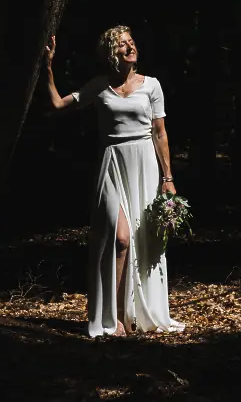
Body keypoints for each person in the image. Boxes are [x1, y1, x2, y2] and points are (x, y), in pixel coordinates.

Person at [45, 26, 185, 337]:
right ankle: (113, 317)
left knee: (143, 239)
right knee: (119, 238)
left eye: (131, 43)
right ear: (111, 53)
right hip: (111, 164)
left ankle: (131, 313)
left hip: (144, 164)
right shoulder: (99, 86)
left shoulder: (152, 86)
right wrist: (48, 67)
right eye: (122, 45)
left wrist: (168, 178)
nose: (129, 48)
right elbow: (57, 105)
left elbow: (160, 134)